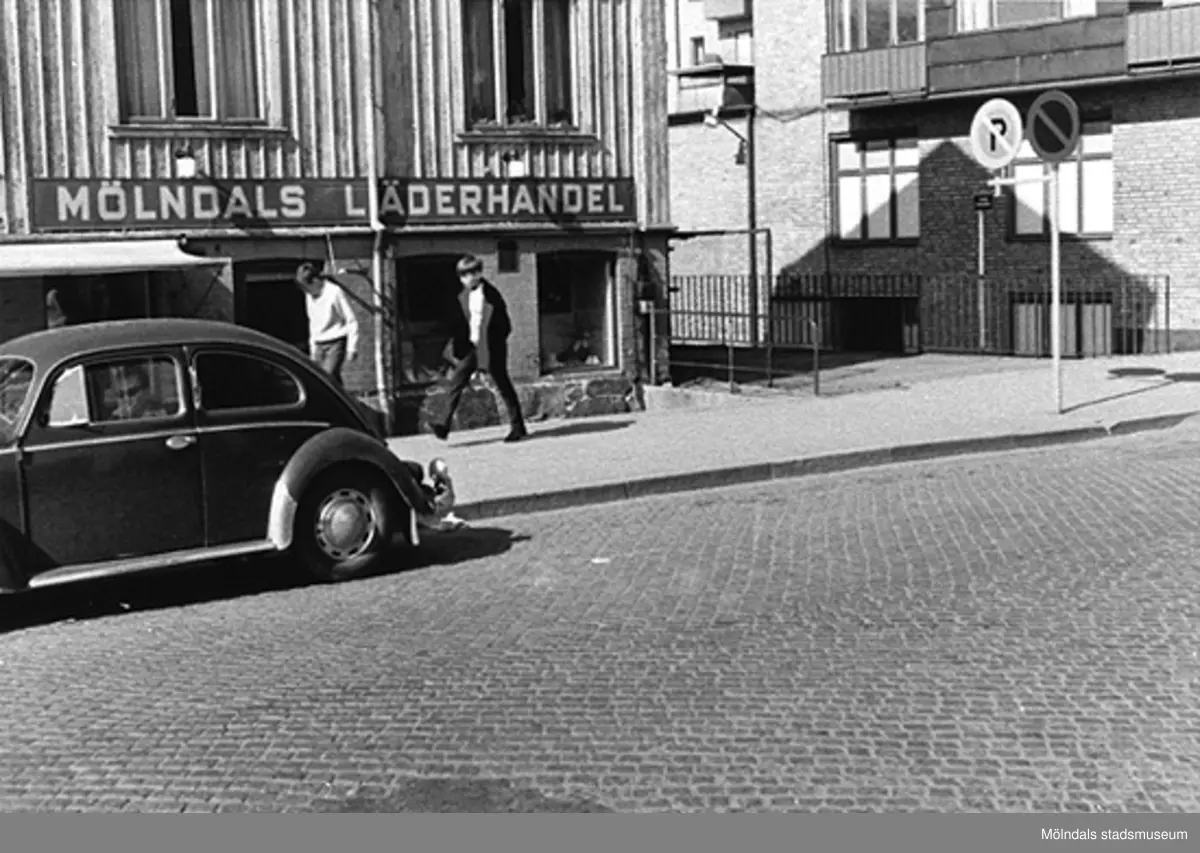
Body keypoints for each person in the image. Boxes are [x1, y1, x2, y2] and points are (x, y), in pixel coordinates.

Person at [433, 254, 528, 443]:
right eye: (462, 275)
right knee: (456, 382)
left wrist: (495, 342)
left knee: (503, 386)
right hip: (472, 348)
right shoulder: (462, 296)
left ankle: (518, 427)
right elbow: (461, 322)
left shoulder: (492, 295)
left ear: (478, 273)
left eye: (469, 274)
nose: (466, 279)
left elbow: (505, 325)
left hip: (492, 347)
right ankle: (443, 425)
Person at [295, 262, 360, 386]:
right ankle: (342, 402)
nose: (307, 292)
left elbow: (351, 319)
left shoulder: (334, 292)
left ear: (315, 281)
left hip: (336, 341)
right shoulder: (309, 296)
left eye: (307, 287)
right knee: (324, 379)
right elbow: (313, 321)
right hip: (319, 342)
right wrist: (313, 348)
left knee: (327, 377)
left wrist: (352, 347)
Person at [104, 364, 171, 421]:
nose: (126, 399)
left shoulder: (159, 417)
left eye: (131, 392)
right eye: (121, 395)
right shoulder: (114, 420)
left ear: (145, 392)